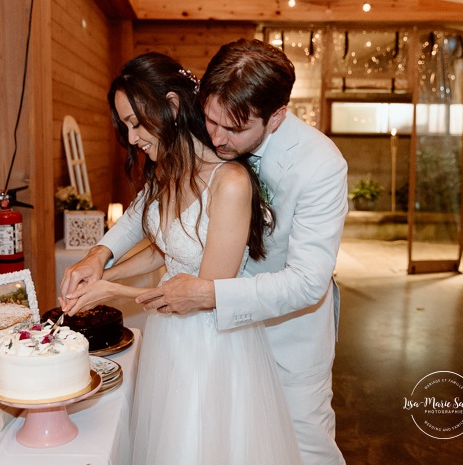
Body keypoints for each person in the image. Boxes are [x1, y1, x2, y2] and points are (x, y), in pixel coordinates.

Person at [61, 39, 348, 465]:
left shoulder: (320, 165)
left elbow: (307, 281)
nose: (216, 137)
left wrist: (207, 293)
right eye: (210, 119)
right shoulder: (209, 133)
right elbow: (154, 209)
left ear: (276, 117)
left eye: (232, 129)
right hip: (206, 335)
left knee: (301, 449)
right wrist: (99, 254)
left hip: (287, 332)